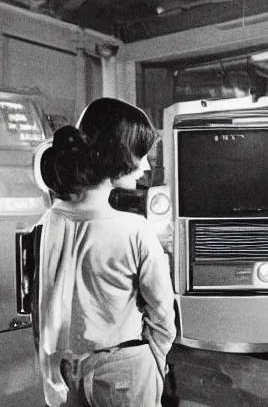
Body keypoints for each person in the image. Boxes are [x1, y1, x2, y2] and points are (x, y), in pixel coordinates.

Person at [32, 98, 176, 407]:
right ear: (118, 154)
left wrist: (49, 373)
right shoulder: (135, 229)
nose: (147, 166)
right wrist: (155, 367)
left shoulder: (48, 222)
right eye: (141, 154)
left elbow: (42, 308)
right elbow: (163, 316)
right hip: (126, 370)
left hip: (66, 372)